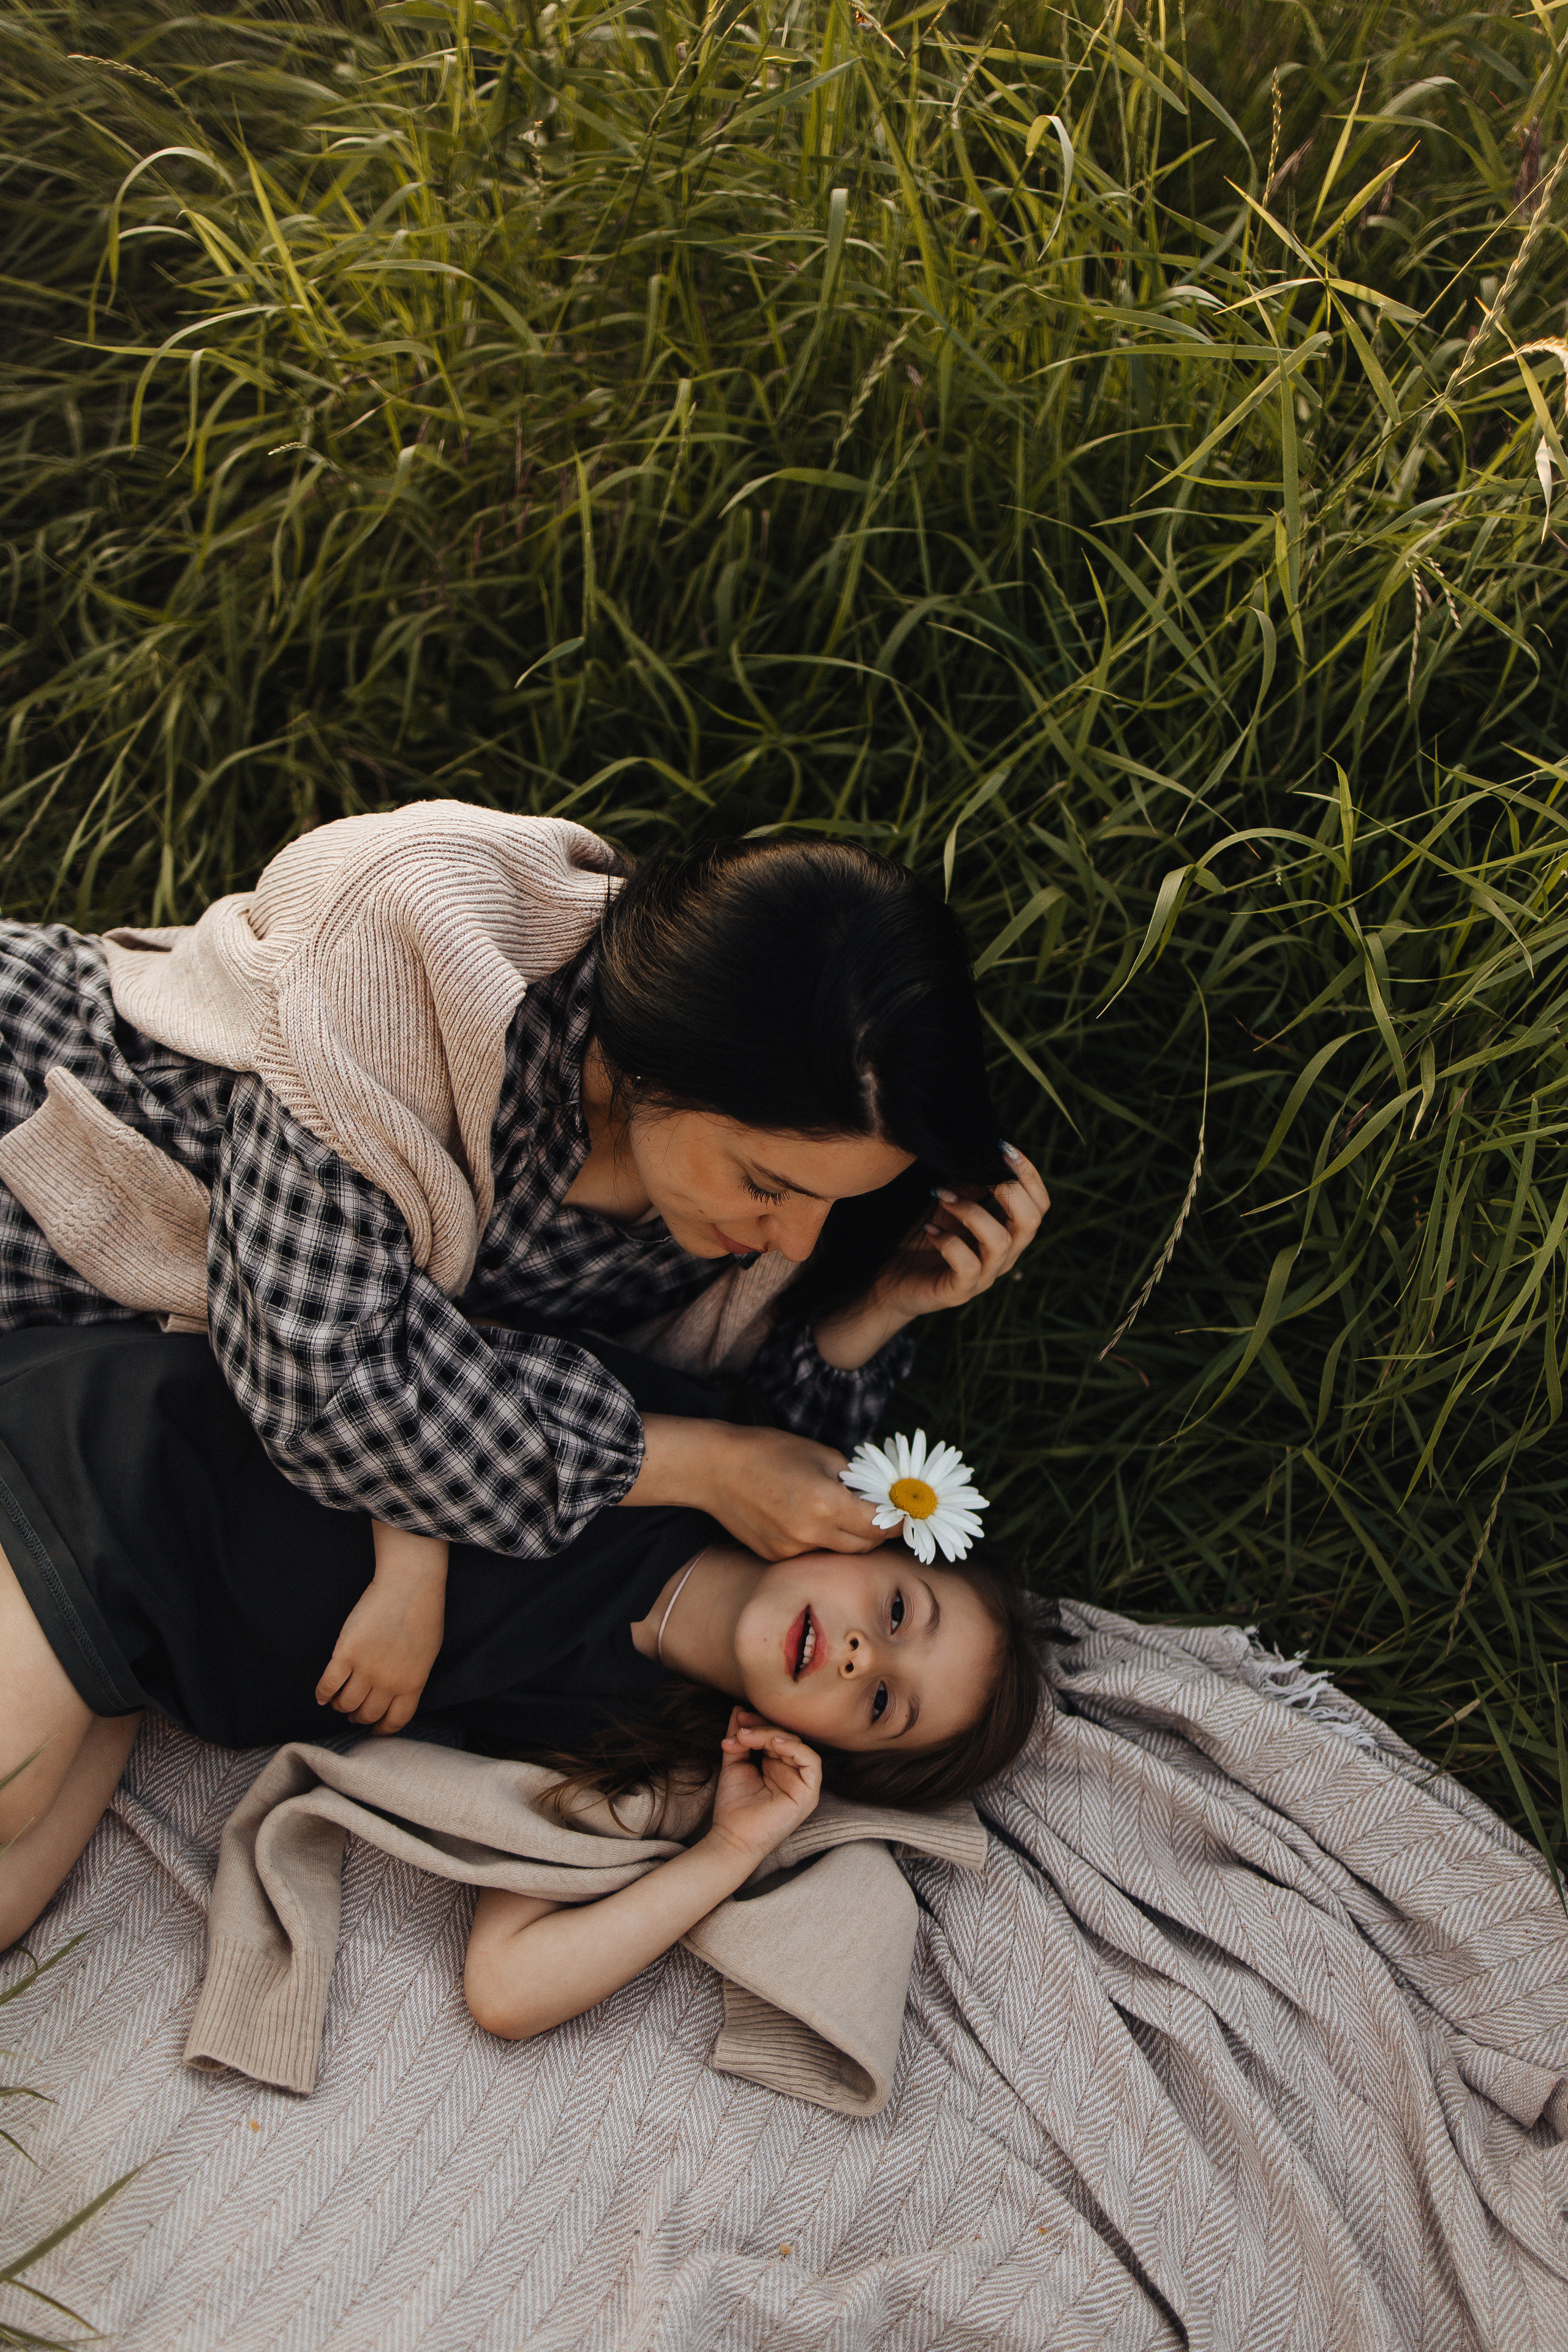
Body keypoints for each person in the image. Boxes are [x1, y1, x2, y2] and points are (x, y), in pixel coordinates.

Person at [0, 820, 1049, 1735]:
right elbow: (326, 1386)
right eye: (768, 1184)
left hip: (79, 1392)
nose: (796, 1243)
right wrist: (702, 1464)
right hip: (34, 1159)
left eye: (840, 1201)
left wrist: (881, 1305)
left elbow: (769, 1450)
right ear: (657, 1065)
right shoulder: (410, 940)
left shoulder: (751, 1202)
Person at [0, 1321, 1044, 2043]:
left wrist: (732, 1846)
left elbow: (508, 1988)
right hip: (131, 1481)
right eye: (900, 1612)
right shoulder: (684, 1450)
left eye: (880, 1705)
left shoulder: (646, 1744)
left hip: (148, 1659)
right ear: (868, 1528)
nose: (866, 1654)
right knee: (11, 1795)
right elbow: (429, 1365)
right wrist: (415, 1558)